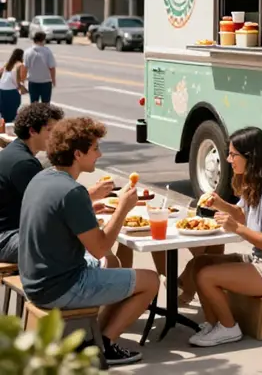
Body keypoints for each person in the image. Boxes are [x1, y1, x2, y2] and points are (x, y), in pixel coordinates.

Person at [18, 117, 159, 367]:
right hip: (59, 287)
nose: (100, 154)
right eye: (95, 149)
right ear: (78, 153)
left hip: (35, 279)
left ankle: (92, 337)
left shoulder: (43, 177)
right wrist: (123, 209)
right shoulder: (73, 192)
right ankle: (105, 345)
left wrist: (89, 208)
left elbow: (59, 220)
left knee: (112, 263)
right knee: (151, 281)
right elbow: (100, 246)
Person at [186, 126, 262, 348]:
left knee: (206, 276)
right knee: (199, 263)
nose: (229, 160)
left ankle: (229, 328)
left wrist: (236, 228)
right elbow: (243, 214)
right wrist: (221, 204)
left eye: (233, 155)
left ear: (250, 157)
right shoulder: (256, 184)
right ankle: (213, 324)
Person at [0, 102, 65, 263]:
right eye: (50, 130)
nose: (55, 137)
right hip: (6, 238)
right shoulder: (24, 163)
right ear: (32, 131)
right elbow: (49, 208)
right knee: (69, 243)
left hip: (10, 232)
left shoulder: (15, 151)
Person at [21, 32, 56, 104]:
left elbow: (24, 68)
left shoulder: (28, 52)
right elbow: (52, 67)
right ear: (42, 40)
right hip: (45, 82)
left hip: (33, 82)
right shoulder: (47, 51)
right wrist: (53, 80)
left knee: (33, 104)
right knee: (46, 105)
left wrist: (22, 81)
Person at [0, 48, 27, 125]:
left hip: (2, 90)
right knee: (12, 114)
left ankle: (3, 132)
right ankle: (8, 132)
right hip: (11, 91)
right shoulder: (20, 65)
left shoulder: (7, 64)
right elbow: (21, 79)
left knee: (4, 114)